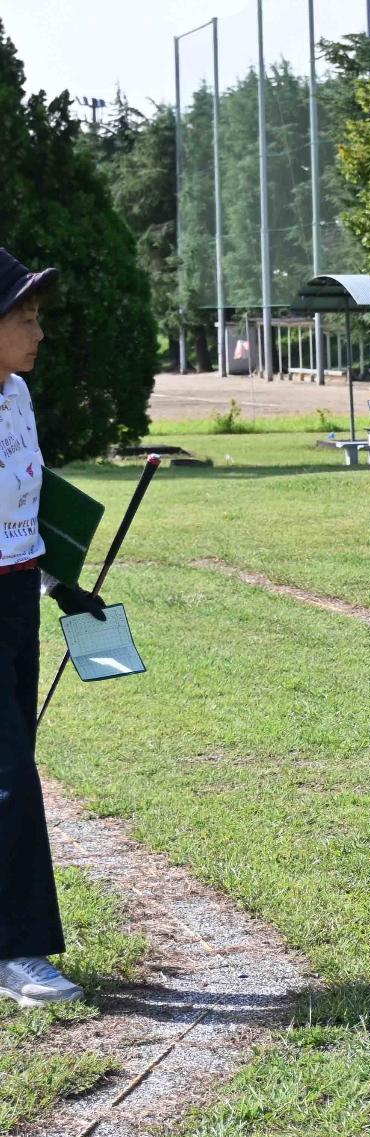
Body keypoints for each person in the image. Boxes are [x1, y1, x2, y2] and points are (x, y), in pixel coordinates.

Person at [0, 246, 107, 1008]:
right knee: (10, 779)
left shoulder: (17, 398)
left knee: (11, 767)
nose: (39, 333)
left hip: (14, 603)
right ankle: (21, 950)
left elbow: (26, 511)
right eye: (25, 317)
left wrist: (61, 585)